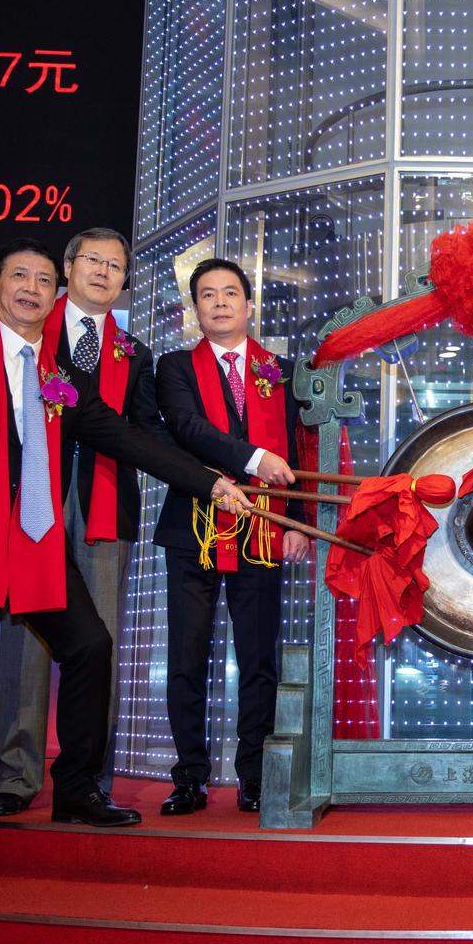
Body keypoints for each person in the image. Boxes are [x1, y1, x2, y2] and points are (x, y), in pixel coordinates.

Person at [0, 238, 249, 890]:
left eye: (42, 279)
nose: (31, 288)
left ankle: (77, 787)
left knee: (90, 646)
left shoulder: (60, 378)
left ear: (55, 292)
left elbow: (126, 437)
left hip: (35, 548)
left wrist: (210, 483)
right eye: (19, 276)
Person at [0, 228, 152, 818]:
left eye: (116, 265)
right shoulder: (30, 330)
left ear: (124, 280)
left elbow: (144, 434)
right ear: (68, 267)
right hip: (32, 501)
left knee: (99, 645)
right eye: (93, 261)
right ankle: (15, 775)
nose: (103, 272)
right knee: (25, 644)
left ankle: (86, 781)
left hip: (105, 500)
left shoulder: (135, 353)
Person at [155, 258, 306, 815]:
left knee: (258, 658)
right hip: (191, 528)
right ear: (195, 308)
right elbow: (187, 429)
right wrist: (255, 458)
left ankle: (255, 776)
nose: (219, 303)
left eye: (230, 293)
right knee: (187, 658)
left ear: (249, 304)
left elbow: (301, 448)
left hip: (262, 530)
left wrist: (295, 521)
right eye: (207, 294)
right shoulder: (174, 367)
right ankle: (189, 776)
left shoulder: (283, 371)